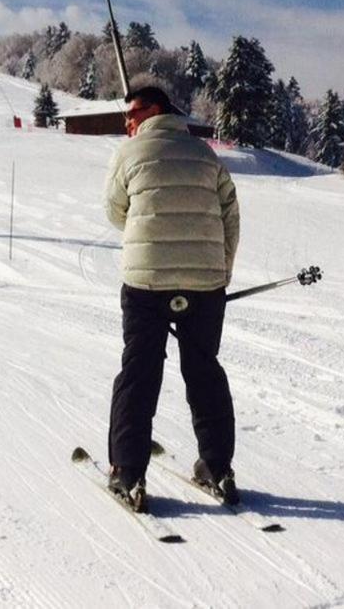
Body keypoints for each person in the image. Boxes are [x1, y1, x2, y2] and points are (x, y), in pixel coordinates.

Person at [103, 86, 240, 511]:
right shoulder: (205, 155)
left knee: (140, 372)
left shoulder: (128, 154)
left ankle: (128, 471)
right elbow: (230, 216)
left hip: (146, 283)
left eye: (133, 111)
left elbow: (114, 212)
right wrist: (220, 272)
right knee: (204, 371)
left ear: (154, 111)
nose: (127, 119)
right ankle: (217, 466)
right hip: (205, 284)